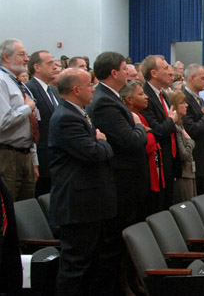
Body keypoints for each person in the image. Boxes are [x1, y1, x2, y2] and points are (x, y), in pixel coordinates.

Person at [49, 68, 117, 295]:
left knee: (91, 262)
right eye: (90, 85)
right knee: (75, 265)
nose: (94, 89)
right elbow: (95, 153)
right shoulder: (66, 117)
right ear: (77, 89)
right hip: (78, 205)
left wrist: (100, 143)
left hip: (90, 202)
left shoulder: (78, 112)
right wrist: (103, 142)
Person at [86, 51, 148, 293]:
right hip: (121, 182)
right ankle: (115, 289)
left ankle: (126, 284)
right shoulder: (103, 101)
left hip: (128, 181)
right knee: (115, 242)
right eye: (125, 68)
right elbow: (130, 140)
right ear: (114, 73)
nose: (129, 72)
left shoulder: (110, 98)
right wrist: (140, 124)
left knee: (124, 241)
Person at [0, 39, 39, 201]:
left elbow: (32, 123)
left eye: (26, 54)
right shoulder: (2, 81)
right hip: (8, 155)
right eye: (21, 54)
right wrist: (27, 108)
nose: (27, 59)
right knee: (10, 210)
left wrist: (34, 159)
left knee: (26, 209)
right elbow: (2, 122)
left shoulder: (18, 83)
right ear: (6, 57)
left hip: (26, 154)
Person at [120, 81, 165, 216]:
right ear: (129, 100)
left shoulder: (141, 116)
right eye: (141, 94)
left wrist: (150, 132)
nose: (146, 97)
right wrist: (150, 132)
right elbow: (147, 143)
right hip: (139, 177)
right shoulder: (129, 118)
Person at [140, 55, 179, 208]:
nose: (171, 72)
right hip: (156, 164)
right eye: (166, 68)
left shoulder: (162, 94)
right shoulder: (145, 97)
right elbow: (156, 130)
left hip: (169, 161)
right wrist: (171, 120)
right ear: (153, 73)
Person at [26, 50, 60, 197]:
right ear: (36, 67)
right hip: (42, 158)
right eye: (49, 63)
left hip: (56, 158)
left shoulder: (53, 90)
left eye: (54, 62)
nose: (55, 67)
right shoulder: (29, 89)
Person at [182, 63, 204, 195]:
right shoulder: (184, 99)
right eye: (203, 78)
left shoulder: (198, 99)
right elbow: (192, 129)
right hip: (195, 157)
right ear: (192, 78)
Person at [169, 91, 197, 202]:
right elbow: (184, 155)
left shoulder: (180, 124)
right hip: (183, 175)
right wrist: (190, 141)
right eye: (182, 103)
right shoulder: (176, 127)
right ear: (174, 106)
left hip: (189, 172)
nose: (186, 105)